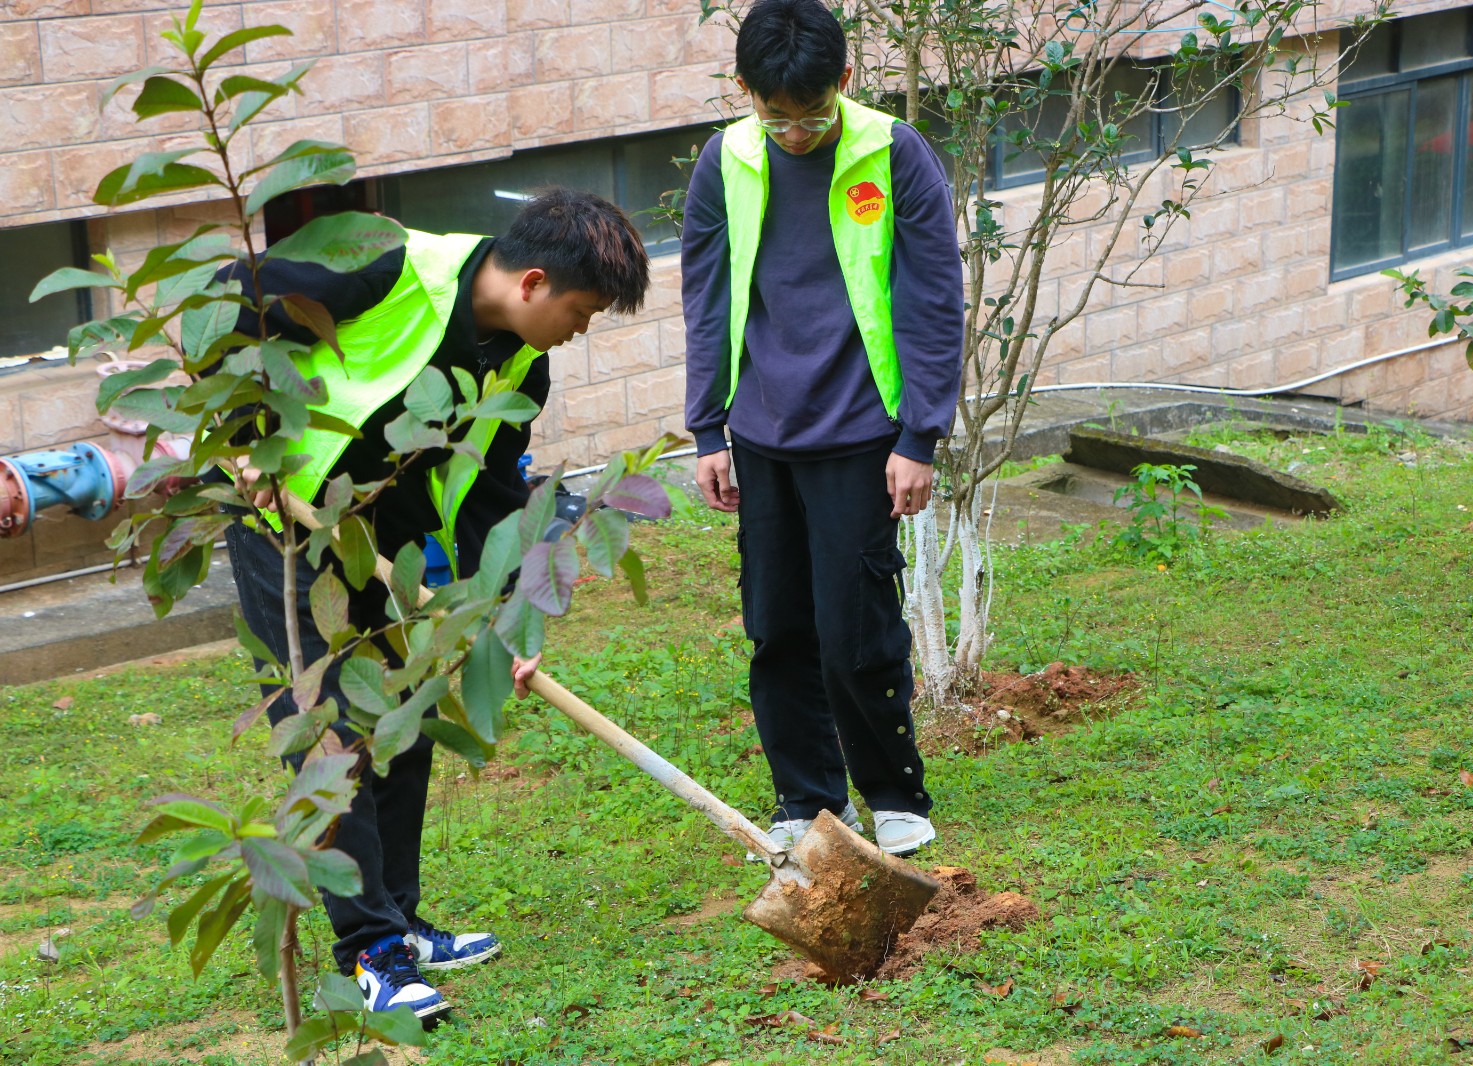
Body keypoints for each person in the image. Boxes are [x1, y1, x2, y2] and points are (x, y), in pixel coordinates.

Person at [221, 188, 650, 1020]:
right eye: (583, 309)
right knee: (330, 733)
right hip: (284, 517)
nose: (582, 329)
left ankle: (400, 923)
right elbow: (242, 297)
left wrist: (506, 618)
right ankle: (367, 955)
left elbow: (492, 493)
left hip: (382, 537)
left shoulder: (524, 358)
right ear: (533, 283)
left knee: (402, 713)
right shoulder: (388, 264)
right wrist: (246, 439)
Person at [681, 0, 964, 856]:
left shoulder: (893, 152)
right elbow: (707, 300)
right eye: (777, 117)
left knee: (856, 630)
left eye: (811, 115)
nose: (796, 134)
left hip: (860, 438)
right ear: (743, 93)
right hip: (762, 436)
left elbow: (931, 302)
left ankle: (892, 794)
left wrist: (919, 437)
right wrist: (706, 433)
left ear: (845, 80)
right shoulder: (724, 159)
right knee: (778, 629)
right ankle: (805, 797)